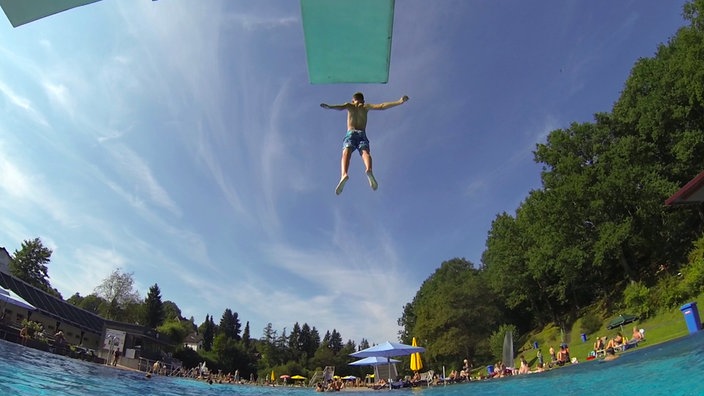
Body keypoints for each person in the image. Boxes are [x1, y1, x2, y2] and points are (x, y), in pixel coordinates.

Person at [320, 93, 409, 195]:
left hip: (351, 133)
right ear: (363, 101)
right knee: (365, 153)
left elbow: (340, 107)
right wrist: (399, 101)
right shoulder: (365, 106)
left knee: (346, 154)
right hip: (362, 133)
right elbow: (382, 106)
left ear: (353, 100)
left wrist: (329, 107)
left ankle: (344, 174)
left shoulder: (349, 105)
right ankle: (369, 169)